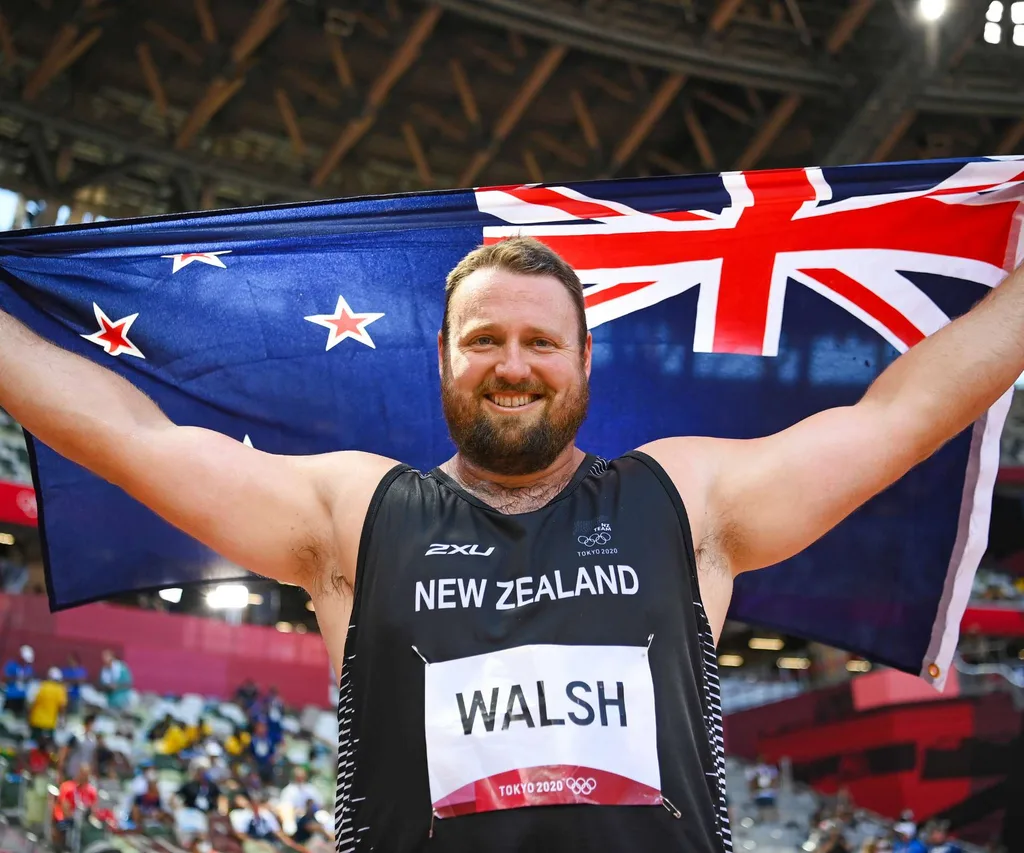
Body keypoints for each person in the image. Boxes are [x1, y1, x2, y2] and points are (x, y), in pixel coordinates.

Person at [2, 238, 1023, 853]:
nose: (513, 364)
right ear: (443, 359)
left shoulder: (686, 498)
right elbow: (127, 438)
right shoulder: (351, 515)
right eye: (484, 339)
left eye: (540, 341)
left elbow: (904, 414)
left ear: (585, 363)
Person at [52, 762, 98, 849]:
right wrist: (73, 818)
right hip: (68, 819)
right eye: (83, 774)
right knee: (64, 828)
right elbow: (65, 808)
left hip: (84, 821)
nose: (84, 777)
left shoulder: (91, 791)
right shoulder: (67, 787)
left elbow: (93, 809)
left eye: (86, 775)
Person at [28, 667, 67, 745]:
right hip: (49, 723)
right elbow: (62, 706)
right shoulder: (59, 689)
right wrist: (62, 719)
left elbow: (31, 703)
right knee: (47, 746)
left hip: (36, 720)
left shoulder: (41, 686)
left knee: (34, 744)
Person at [59, 713, 98, 782]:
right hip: (72, 769)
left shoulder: (93, 739)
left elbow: (92, 756)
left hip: (85, 772)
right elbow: (65, 750)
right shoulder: (76, 734)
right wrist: (61, 768)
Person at [3, 644, 34, 715]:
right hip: (11, 696)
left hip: (22, 697)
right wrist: (19, 677)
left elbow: (30, 679)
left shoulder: (28, 667)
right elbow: (5, 678)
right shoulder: (12, 664)